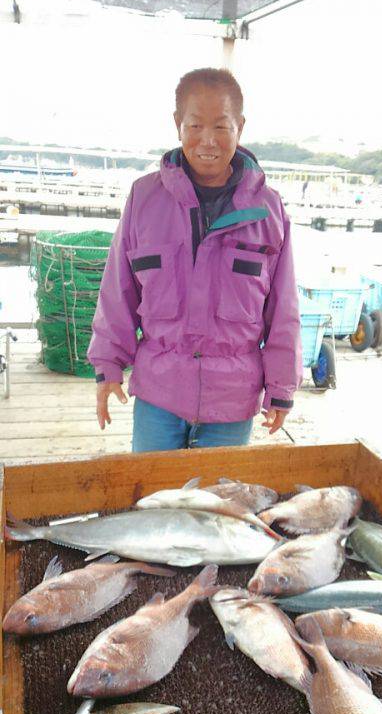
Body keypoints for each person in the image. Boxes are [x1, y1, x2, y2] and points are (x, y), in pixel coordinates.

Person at [88, 67, 302, 452]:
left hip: (232, 401)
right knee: (154, 498)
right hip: (159, 393)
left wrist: (282, 388)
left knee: (218, 507)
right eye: (195, 125)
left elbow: (284, 309)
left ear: (240, 126)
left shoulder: (269, 210)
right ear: (177, 125)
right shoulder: (143, 198)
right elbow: (116, 291)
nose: (208, 140)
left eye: (221, 127)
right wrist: (107, 366)